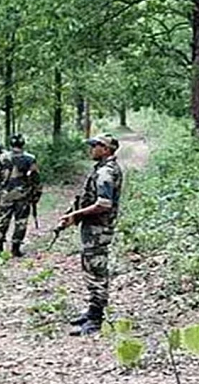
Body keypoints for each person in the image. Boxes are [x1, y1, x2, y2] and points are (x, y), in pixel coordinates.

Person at [57, 135, 123, 336]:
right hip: (94, 228)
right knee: (91, 268)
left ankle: (96, 319)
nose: (92, 149)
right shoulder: (102, 169)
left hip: (98, 229)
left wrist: (76, 215)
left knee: (96, 271)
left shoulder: (105, 172)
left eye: (95, 146)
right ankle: (93, 311)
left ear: (106, 149)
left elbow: (104, 203)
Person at [0, 133, 42, 257]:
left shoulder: (2, 158)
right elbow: (36, 178)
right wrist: (36, 195)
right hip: (23, 195)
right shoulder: (30, 158)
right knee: (21, 221)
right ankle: (15, 248)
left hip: (6, 194)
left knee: (3, 220)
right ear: (23, 144)